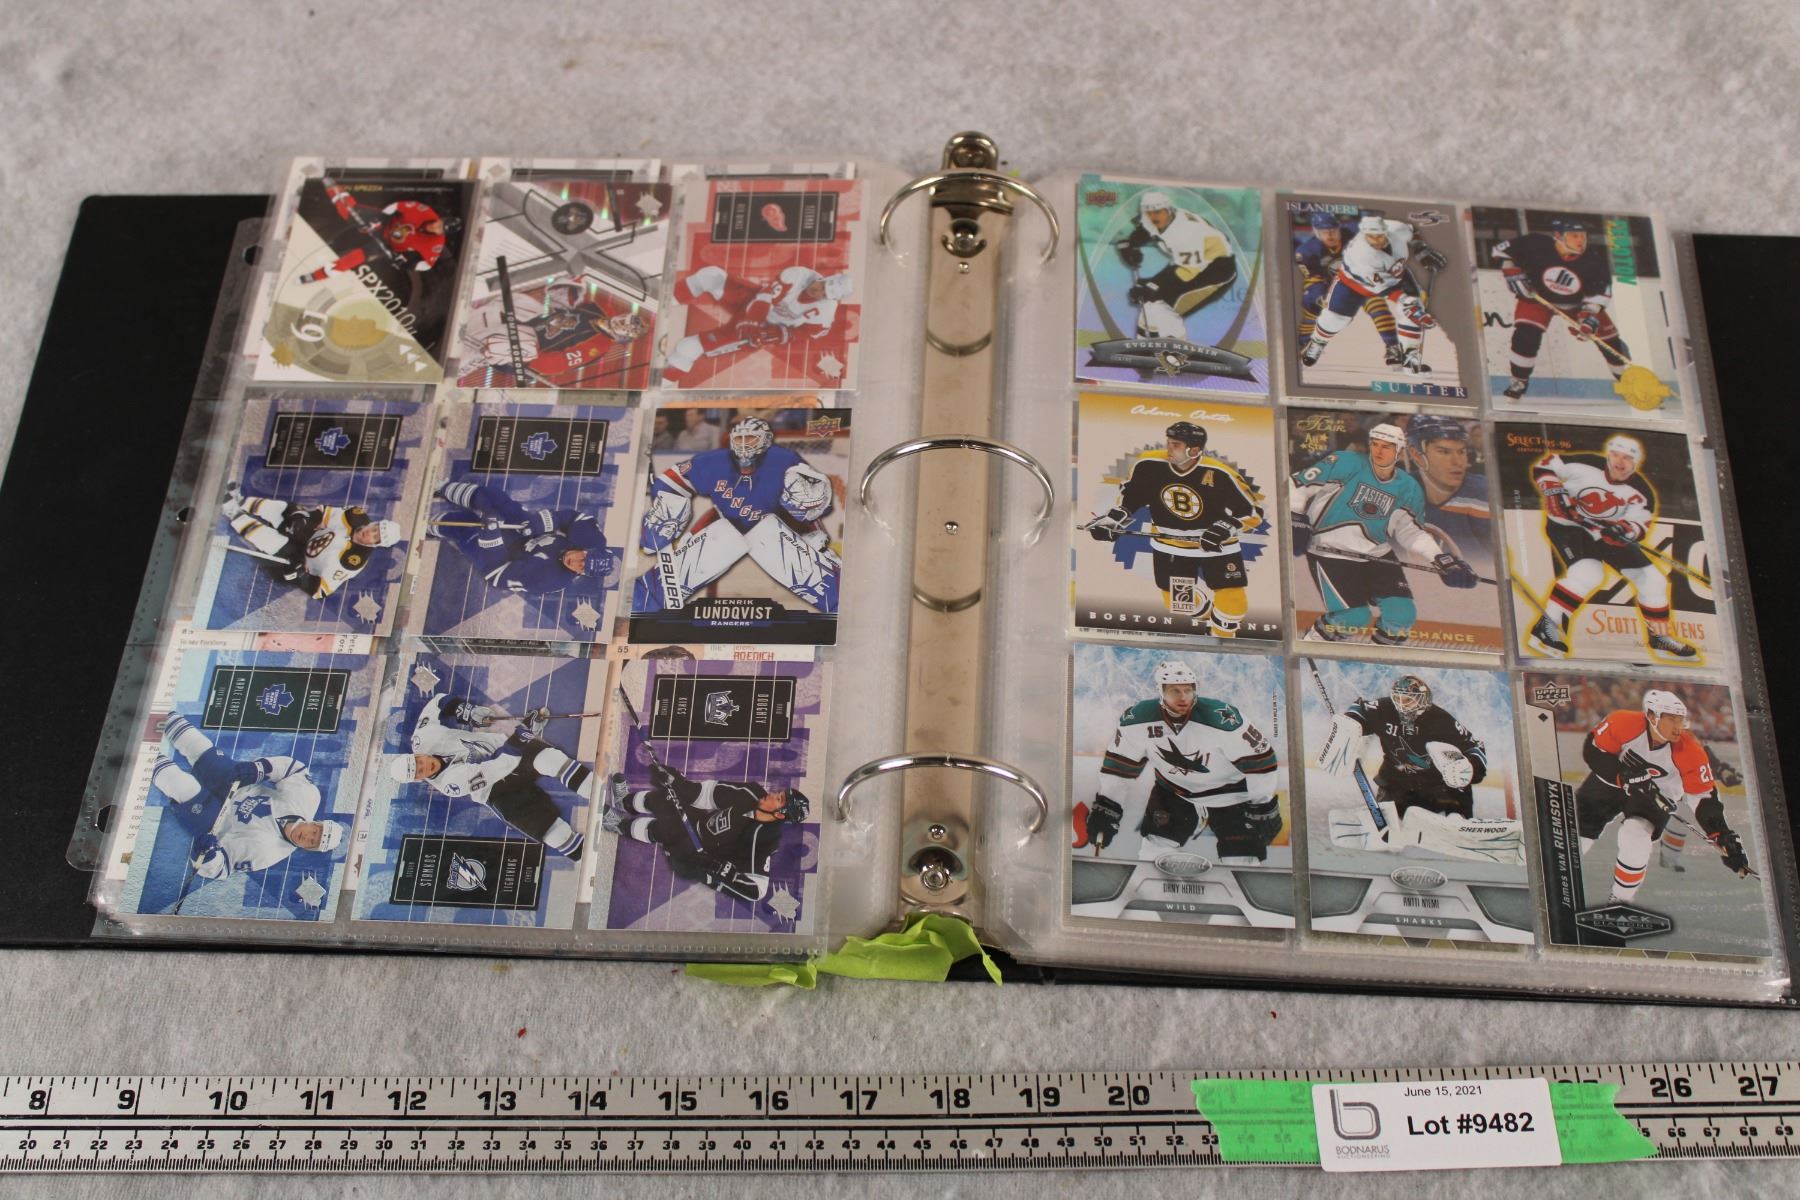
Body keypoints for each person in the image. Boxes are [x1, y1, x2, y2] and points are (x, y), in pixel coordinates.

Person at [1075, 659, 1282, 867]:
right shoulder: (1138, 719)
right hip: (1174, 791)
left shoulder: (1222, 719)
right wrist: (1107, 806)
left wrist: (1262, 804)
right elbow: (1120, 768)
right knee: (1154, 853)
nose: (1183, 697)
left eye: (1188, 690)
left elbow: (1260, 761)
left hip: (1232, 794)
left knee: (1241, 861)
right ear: (1161, 691)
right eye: (1175, 691)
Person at [1289, 423, 1475, 645]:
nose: (1378, 451)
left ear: (1400, 452)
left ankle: (1378, 661)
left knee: (1402, 616)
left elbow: (1411, 532)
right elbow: (1296, 484)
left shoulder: (1408, 487)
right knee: (1353, 618)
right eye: (1375, 444)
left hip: (1377, 553)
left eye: (1386, 446)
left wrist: (1441, 559)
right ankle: (1309, 650)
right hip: (1331, 552)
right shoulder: (1346, 462)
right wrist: (1295, 517)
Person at [632, 416, 839, 615]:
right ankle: (644, 600)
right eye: (739, 438)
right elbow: (672, 480)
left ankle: (838, 597)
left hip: (783, 527)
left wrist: (812, 503)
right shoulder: (715, 462)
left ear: (766, 439)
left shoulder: (784, 460)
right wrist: (666, 510)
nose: (744, 444)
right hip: (728, 524)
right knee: (717, 539)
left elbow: (817, 505)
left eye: (750, 438)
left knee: (776, 541)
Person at [1523, 433, 1695, 662]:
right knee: (1588, 573)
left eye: (1627, 458)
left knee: (1653, 580)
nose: (1619, 462)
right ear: (1608, 455)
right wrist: (1553, 490)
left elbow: (1639, 526)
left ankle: (1660, 638)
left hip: (1603, 533)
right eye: (1615, 455)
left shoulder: (1641, 493)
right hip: (1568, 527)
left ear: (1636, 463)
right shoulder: (1585, 464)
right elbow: (1545, 465)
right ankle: (1546, 628)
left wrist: (1623, 530)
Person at [1085, 420, 1262, 637]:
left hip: (1217, 546)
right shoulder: (1149, 464)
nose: (1169, 448)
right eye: (1168, 442)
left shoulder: (1219, 473)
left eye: (1176, 445)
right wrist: (1113, 520)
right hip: (1170, 547)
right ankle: (1210, 620)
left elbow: (1252, 512)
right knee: (1179, 603)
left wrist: (1224, 528)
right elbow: (1132, 497)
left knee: (1233, 601)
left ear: (1194, 450)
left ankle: (1223, 638)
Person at [1573, 689, 1750, 904]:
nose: (1678, 726)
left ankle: (1619, 902)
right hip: (1610, 784)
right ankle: (1550, 873)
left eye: (1680, 719)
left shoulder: (1690, 750)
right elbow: (1593, 750)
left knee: (1635, 835)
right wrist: (1622, 775)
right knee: (1577, 833)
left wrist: (1721, 834)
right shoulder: (1623, 722)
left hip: (1656, 797)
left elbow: (1704, 798)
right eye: (1671, 719)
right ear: (1651, 716)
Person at [387, 694, 588, 859]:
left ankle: (602, 793)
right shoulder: (450, 784)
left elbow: (437, 701)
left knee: (552, 760)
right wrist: (524, 733)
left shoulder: (422, 738)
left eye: (419, 761)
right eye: (420, 771)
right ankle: (591, 855)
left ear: (416, 754)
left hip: (501, 747)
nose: (425, 766)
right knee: (552, 833)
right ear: (418, 779)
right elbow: (502, 764)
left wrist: (464, 710)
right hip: (496, 790)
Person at [152, 714, 344, 883]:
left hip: (213, 820)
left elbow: (222, 868)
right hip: (237, 783)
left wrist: (206, 856)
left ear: (309, 849)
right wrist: (259, 769)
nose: (307, 837)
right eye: (314, 832)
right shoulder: (307, 799)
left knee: (182, 784)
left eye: (312, 842)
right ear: (315, 823)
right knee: (200, 747)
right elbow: (293, 769)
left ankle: (144, 752)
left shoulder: (269, 853)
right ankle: (159, 712)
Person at [604, 761, 808, 904]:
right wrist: (675, 780)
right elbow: (705, 795)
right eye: (779, 793)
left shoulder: (764, 839)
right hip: (700, 823)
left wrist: (722, 870)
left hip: (698, 858)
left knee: (667, 829)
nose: (772, 794)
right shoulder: (751, 793)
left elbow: (757, 891)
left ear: (780, 815)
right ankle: (624, 802)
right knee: (668, 796)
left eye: (778, 799)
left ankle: (620, 825)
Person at [1491, 216, 1628, 400]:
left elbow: (1598, 296)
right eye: (1574, 235)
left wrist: (1588, 318)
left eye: (1583, 236)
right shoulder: (1535, 243)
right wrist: (1510, 269)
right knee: (1526, 335)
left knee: (1611, 343)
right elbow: (1499, 251)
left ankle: (1628, 382)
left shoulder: (1594, 260)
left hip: (1577, 304)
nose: (1580, 241)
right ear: (1558, 236)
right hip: (1537, 298)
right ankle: (1519, 381)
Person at [1299, 216, 1448, 375]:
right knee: (1334, 320)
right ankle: (1318, 342)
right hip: (1352, 284)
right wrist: (1406, 302)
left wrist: (1420, 248)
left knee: (1413, 307)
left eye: (1380, 235)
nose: (1376, 240)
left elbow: (1412, 231)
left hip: (1396, 276)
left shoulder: (1396, 229)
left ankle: (1410, 359)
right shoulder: (1362, 254)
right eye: (1371, 237)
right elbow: (1383, 289)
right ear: (1363, 235)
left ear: (1386, 231)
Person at [662, 265, 852, 382]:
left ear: (829, 299)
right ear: (824, 278)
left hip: (764, 329)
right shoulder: (798, 274)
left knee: (689, 347)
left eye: (824, 294)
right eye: (821, 286)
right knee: (710, 275)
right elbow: (766, 297)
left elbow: (813, 333)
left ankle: (669, 375)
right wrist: (752, 320)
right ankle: (663, 303)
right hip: (754, 303)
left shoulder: (827, 310)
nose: (817, 292)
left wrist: (784, 334)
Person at [430, 478, 612, 597]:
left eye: (581, 568)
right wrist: (540, 523)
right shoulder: (594, 541)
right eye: (582, 558)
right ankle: (443, 488)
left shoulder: (549, 579)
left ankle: (429, 525)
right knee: (496, 500)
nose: (575, 562)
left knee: (468, 527)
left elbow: (496, 574)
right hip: (526, 535)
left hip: (502, 559)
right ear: (587, 549)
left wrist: (491, 538)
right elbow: (572, 518)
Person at [221, 482, 400, 600]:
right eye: (375, 528)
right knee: (286, 509)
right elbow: (322, 515)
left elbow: (320, 591)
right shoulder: (356, 516)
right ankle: (242, 501)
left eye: (376, 537)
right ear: (375, 523)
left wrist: (301, 576)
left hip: (300, 559)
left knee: (273, 541)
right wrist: (303, 518)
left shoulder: (353, 562)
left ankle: (234, 514)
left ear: (376, 545)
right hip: (309, 535)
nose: (370, 533)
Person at [1113, 190, 1238, 341]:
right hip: (1191, 265)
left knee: (1166, 311)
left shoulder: (1186, 233)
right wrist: (1131, 244)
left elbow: (1186, 273)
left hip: (1216, 271)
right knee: (1150, 303)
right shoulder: (1155, 219)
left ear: (1169, 210)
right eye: (1149, 213)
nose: (1153, 217)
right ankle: (1144, 345)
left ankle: (1175, 350)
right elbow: (1146, 230)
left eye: (1158, 212)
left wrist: (1153, 285)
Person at [1293, 212, 1402, 361]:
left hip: (1361, 280)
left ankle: (1393, 347)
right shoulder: (1307, 251)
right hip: (1330, 286)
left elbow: (1384, 231)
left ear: (1339, 228)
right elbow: (1314, 278)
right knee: (1313, 306)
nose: (1330, 235)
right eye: (1324, 232)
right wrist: (1319, 296)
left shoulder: (1355, 231)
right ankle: (1304, 342)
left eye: (1333, 230)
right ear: (1316, 233)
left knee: (1377, 306)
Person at [296, 183, 452, 284]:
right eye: (439, 224)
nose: (435, 227)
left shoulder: (436, 244)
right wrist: (380, 218)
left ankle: (314, 276)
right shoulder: (425, 211)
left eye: (440, 230)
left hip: (387, 245)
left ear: (443, 233)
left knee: (352, 259)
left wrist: (405, 263)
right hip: (384, 222)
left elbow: (427, 266)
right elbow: (396, 206)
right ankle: (329, 183)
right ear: (441, 219)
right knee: (348, 210)